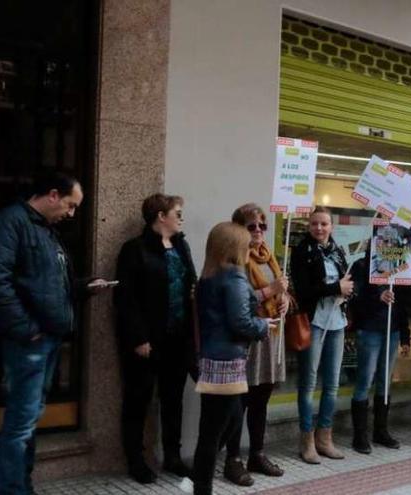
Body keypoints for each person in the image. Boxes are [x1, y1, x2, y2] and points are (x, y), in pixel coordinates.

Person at [0, 172, 110, 495]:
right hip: (28, 341)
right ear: (52, 195)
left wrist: (82, 288)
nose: (71, 213)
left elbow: (47, 286)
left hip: (45, 339)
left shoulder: (46, 230)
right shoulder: (10, 223)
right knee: (21, 423)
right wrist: (27, 330)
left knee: (28, 421)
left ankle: (22, 485)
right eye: (70, 205)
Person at [114, 193, 197, 483]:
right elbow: (126, 300)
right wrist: (139, 338)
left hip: (178, 338)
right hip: (148, 341)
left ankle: (172, 457)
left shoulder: (181, 245)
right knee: (139, 399)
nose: (181, 217)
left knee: (173, 399)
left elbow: (191, 282)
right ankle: (136, 459)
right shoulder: (134, 250)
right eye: (177, 212)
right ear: (161, 216)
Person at [191, 222, 273, 495]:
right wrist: (263, 326)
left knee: (218, 426)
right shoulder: (235, 278)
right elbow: (242, 322)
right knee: (216, 431)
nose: (250, 246)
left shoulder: (209, 277)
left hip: (213, 360)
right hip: (228, 362)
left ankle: (199, 483)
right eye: (246, 243)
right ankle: (201, 487)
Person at [222, 204, 290, 485]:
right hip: (247, 337)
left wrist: (284, 299)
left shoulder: (268, 256)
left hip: (271, 334)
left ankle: (257, 454)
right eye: (252, 226)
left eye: (263, 225)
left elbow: (280, 289)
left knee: (261, 398)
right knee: (241, 401)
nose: (259, 231)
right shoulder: (233, 258)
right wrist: (270, 291)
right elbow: (238, 299)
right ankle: (233, 459)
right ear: (239, 229)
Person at [290, 206, 352, 464]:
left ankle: (325, 438)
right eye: (315, 224)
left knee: (332, 384)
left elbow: (347, 283)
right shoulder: (301, 252)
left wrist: (348, 290)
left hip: (336, 322)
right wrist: (335, 287)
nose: (319, 228)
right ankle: (307, 440)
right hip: (313, 323)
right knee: (308, 383)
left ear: (331, 227)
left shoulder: (338, 251)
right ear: (309, 226)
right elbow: (304, 291)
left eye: (324, 224)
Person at [348, 241, 411, 454]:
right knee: (365, 380)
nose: (386, 243)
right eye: (382, 240)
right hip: (369, 329)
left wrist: (404, 334)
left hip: (392, 330)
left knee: (385, 381)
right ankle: (360, 435)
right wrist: (378, 297)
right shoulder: (361, 265)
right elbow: (354, 298)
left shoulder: (400, 267)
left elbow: (402, 303)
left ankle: (381, 431)